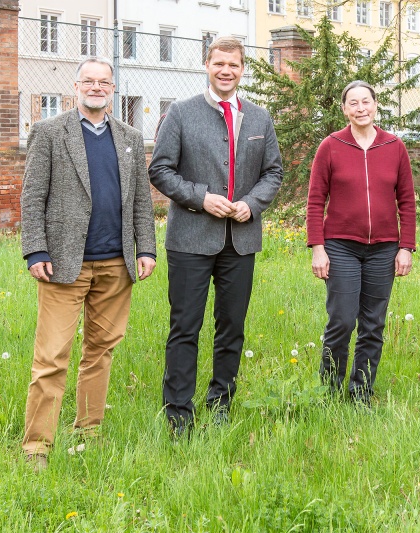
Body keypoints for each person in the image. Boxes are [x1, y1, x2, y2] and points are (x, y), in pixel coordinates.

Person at [20, 57, 157, 471]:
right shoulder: (49, 132)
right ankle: (36, 448)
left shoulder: (131, 137)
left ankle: (88, 432)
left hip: (116, 265)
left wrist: (146, 249)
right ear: (76, 86)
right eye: (89, 81)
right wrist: (35, 250)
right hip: (63, 263)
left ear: (112, 89)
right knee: (51, 357)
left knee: (101, 352)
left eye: (104, 82)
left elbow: (140, 202)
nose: (97, 87)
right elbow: (31, 197)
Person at [149, 36, 283, 435]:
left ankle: (221, 404)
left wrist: (253, 203)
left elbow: (273, 172)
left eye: (234, 65)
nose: (226, 71)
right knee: (185, 326)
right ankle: (178, 413)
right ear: (206, 64)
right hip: (191, 238)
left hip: (240, 242)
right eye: (219, 63)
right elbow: (160, 170)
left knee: (232, 327)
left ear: (243, 69)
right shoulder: (181, 113)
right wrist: (200, 198)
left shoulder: (259, 117)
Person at [307, 80, 417, 406]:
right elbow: (315, 201)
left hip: (384, 248)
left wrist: (406, 247)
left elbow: (407, 202)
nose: (360, 108)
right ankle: (328, 390)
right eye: (353, 103)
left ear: (375, 105)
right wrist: (318, 247)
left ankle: (361, 393)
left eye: (365, 101)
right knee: (341, 319)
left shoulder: (394, 147)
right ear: (344, 109)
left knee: (373, 324)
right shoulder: (331, 146)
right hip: (340, 245)